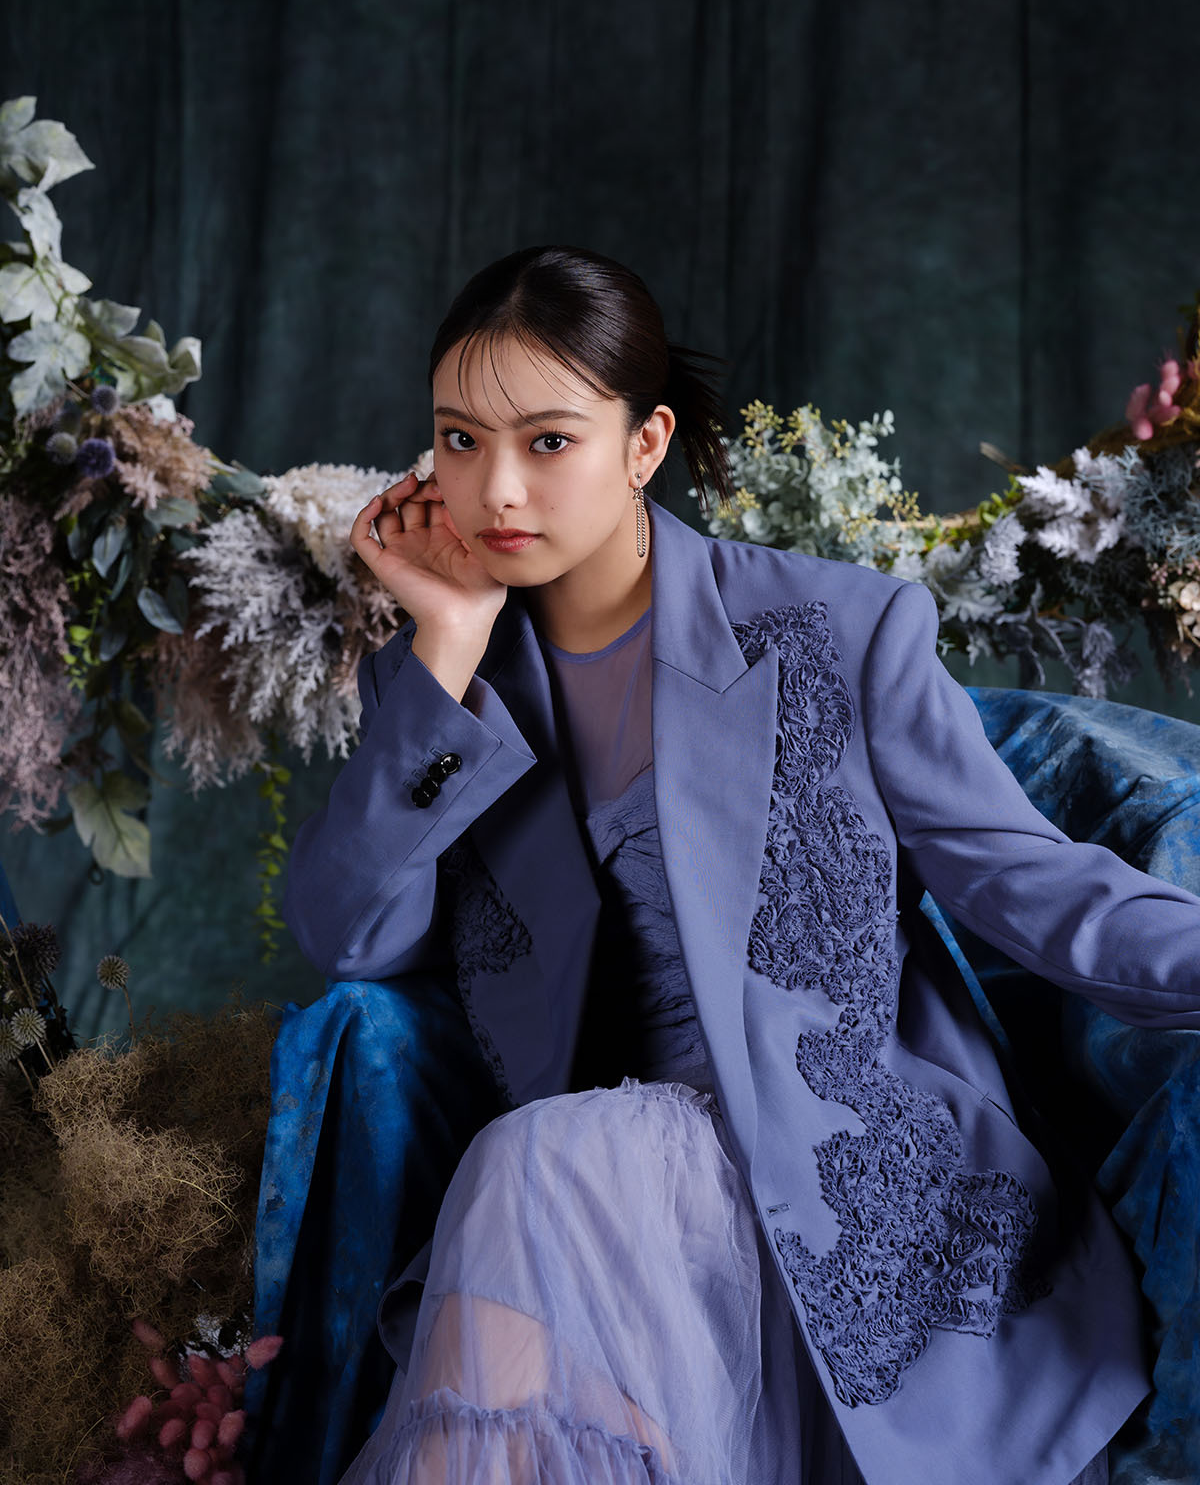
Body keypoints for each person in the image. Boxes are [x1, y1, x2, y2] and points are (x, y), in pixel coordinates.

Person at [282, 244, 1200, 1485]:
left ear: (645, 443)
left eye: (548, 442)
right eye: (459, 440)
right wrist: (444, 643)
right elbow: (348, 936)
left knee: (534, 1165)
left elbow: (1033, 885)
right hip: (598, 1225)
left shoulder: (836, 629)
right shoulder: (442, 685)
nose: (496, 488)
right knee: (541, 1165)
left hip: (844, 1197)